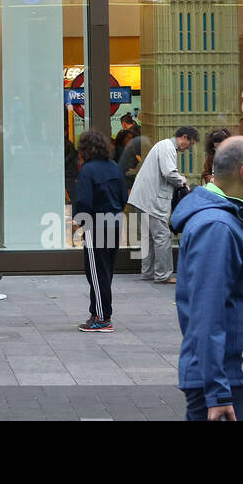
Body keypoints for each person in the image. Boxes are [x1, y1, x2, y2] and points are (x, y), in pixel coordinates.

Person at [172, 135, 243, 421]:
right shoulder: (216, 227)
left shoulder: (234, 217)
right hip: (229, 381)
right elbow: (206, 313)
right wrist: (217, 391)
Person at [126, 126, 198, 284]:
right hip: (151, 200)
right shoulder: (167, 147)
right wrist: (182, 180)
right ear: (184, 137)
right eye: (190, 144)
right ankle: (163, 274)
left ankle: (147, 272)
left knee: (148, 238)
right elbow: (169, 172)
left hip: (142, 198)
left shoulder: (162, 145)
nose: (188, 148)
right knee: (161, 236)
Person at [71, 130, 126, 332]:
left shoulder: (87, 170)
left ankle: (102, 318)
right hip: (114, 222)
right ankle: (98, 313)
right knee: (106, 272)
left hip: (96, 225)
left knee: (96, 273)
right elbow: (123, 196)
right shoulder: (114, 166)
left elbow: (83, 200)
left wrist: (79, 221)